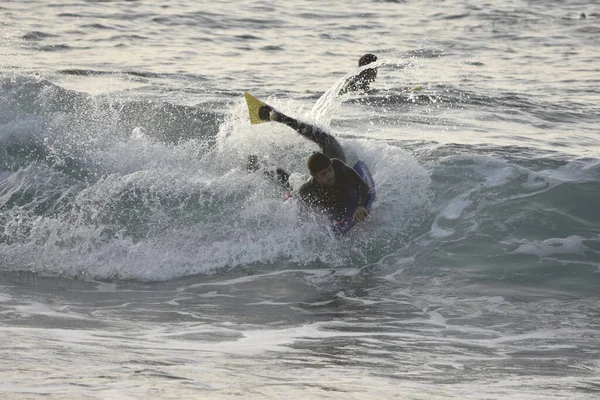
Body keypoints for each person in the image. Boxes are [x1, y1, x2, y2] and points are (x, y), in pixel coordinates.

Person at [247, 106, 370, 223]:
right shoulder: (309, 189)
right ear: (314, 176)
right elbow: (294, 203)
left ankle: (282, 118)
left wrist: (360, 206)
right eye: (323, 174)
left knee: (325, 139)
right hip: (312, 186)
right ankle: (260, 164)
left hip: (331, 150)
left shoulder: (338, 167)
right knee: (290, 186)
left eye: (329, 170)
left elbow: (363, 186)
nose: (329, 175)